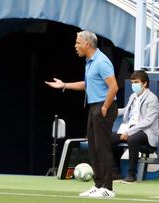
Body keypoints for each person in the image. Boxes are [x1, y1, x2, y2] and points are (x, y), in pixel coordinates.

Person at [45, 30, 118, 198]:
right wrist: (64, 85)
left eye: (78, 42)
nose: (75, 46)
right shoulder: (90, 62)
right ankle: (99, 185)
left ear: (87, 44)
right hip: (94, 107)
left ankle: (108, 189)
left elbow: (113, 87)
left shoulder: (101, 62)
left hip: (103, 107)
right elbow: (87, 84)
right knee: (93, 148)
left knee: (102, 148)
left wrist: (105, 108)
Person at [111, 70, 159, 183]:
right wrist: (112, 111)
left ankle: (131, 175)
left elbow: (148, 120)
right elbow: (126, 110)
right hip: (129, 127)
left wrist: (130, 132)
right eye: (132, 82)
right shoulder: (133, 96)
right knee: (108, 138)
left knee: (132, 139)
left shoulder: (152, 99)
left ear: (144, 83)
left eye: (136, 82)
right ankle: (115, 173)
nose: (133, 85)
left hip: (146, 132)